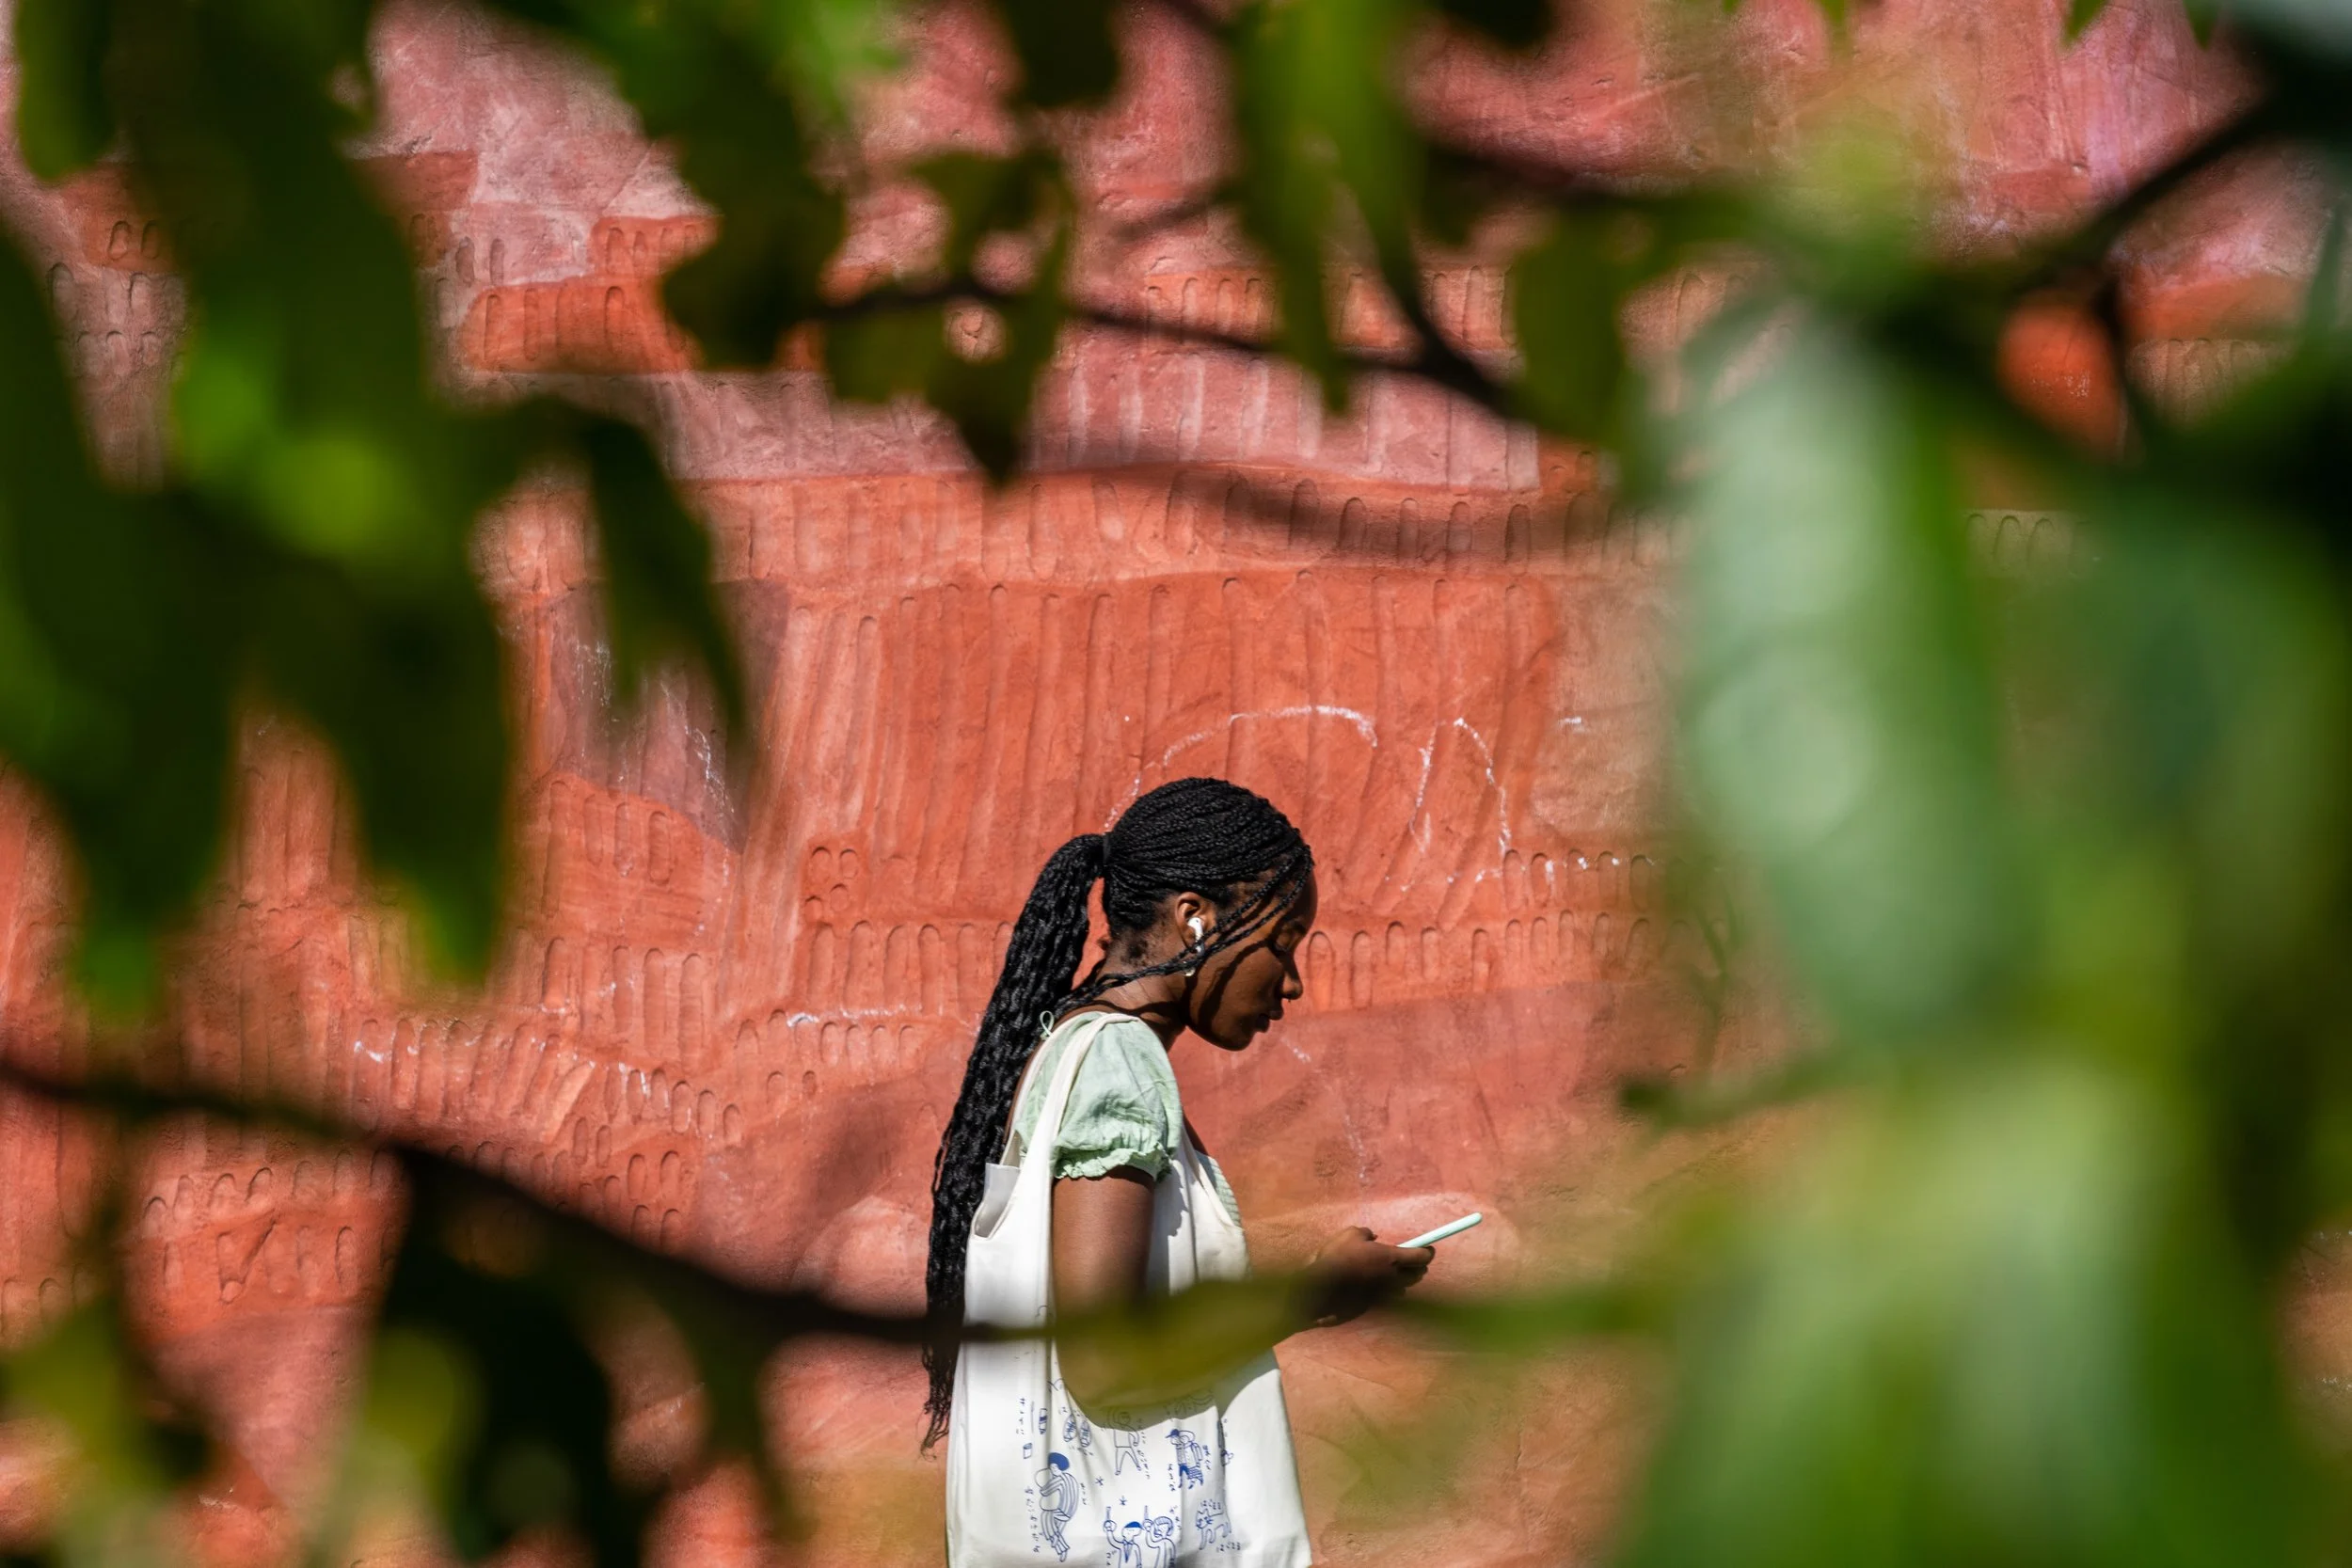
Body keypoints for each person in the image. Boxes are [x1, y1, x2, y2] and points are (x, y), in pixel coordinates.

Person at [926, 777, 1434, 1567]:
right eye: (1283, 943)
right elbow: (1107, 1356)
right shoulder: (1121, 1062)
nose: (1291, 982)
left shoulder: (1068, 1043)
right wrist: (1313, 1293)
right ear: (1195, 917)